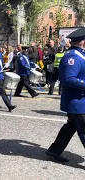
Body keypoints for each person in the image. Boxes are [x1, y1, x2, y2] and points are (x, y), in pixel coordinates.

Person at [46, 28, 85, 163]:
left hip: (80, 100)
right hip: (77, 102)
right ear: (83, 42)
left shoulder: (80, 55)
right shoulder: (72, 57)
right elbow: (69, 79)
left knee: (71, 127)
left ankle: (54, 151)